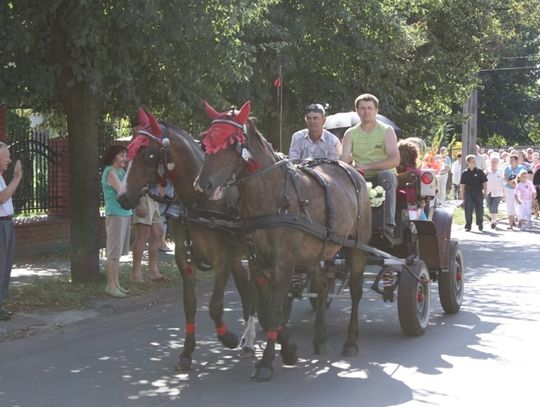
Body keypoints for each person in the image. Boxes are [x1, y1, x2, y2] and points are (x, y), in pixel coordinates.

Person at [341, 94, 399, 236]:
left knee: (385, 176)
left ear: (376, 110)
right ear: (357, 111)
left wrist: (367, 166)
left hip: (385, 176)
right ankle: (342, 226)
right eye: (362, 108)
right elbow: (343, 160)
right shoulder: (350, 133)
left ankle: (387, 226)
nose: (366, 112)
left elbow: (395, 160)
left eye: (369, 108)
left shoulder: (386, 131)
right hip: (359, 176)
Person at [130, 118, 166, 283]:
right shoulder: (133, 149)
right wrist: (139, 200)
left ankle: (153, 270)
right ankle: (136, 273)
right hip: (142, 195)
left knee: (158, 233)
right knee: (142, 235)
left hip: (153, 196)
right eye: (139, 126)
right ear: (134, 128)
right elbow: (131, 179)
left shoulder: (147, 146)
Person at [101, 144, 132, 298]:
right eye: (121, 156)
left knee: (118, 252)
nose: (125, 159)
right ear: (113, 157)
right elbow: (122, 191)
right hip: (115, 214)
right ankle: (110, 285)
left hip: (125, 213)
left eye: (125, 156)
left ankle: (116, 283)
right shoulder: (110, 172)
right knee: (113, 252)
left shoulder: (121, 171)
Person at [0, 142, 22, 320]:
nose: (9, 159)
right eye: (6, 156)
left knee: (5, 265)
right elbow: (2, 197)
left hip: (7, 224)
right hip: (1, 225)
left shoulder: (0, 176)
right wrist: (16, 178)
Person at [460, 155, 488, 232]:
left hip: (478, 192)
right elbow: (462, 185)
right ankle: (468, 225)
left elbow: (485, 183)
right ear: (468, 162)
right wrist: (462, 196)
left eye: (475, 161)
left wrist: (485, 192)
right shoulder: (464, 173)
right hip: (468, 193)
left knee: (479, 209)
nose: (475, 163)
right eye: (473, 161)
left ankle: (480, 223)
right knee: (468, 209)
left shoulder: (480, 172)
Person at [503, 154, 523, 230]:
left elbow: (522, 177)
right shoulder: (507, 168)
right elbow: (504, 177)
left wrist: (516, 184)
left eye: (512, 160)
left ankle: (519, 221)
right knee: (510, 206)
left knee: (518, 205)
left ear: (516, 161)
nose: (511, 161)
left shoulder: (521, 168)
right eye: (510, 160)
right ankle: (510, 224)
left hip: (518, 189)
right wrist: (509, 183)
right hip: (508, 189)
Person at [484, 156, 504, 229]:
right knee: (490, 206)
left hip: (498, 192)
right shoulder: (487, 170)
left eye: (495, 162)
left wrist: (504, 191)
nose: (493, 163)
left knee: (494, 207)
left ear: (498, 163)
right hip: (488, 191)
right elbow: (483, 180)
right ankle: (494, 219)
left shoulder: (501, 171)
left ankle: (493, 221)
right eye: (492, 162)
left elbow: (504, 181)